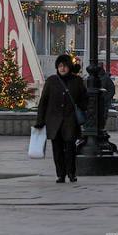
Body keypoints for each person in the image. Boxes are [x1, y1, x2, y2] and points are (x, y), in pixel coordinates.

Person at [35, 54, 87, 183]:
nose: (62, 68)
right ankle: (60, 174)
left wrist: (80, 108)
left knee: (70, 148)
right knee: (57, 149)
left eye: (65, 66)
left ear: (70, 67)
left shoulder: (76, 81)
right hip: (54, 122)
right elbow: (43, 102)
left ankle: (71, 173)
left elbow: (84, 99)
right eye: (60, 66)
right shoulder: (52, 81)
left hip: (70, 121)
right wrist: (40, 121)